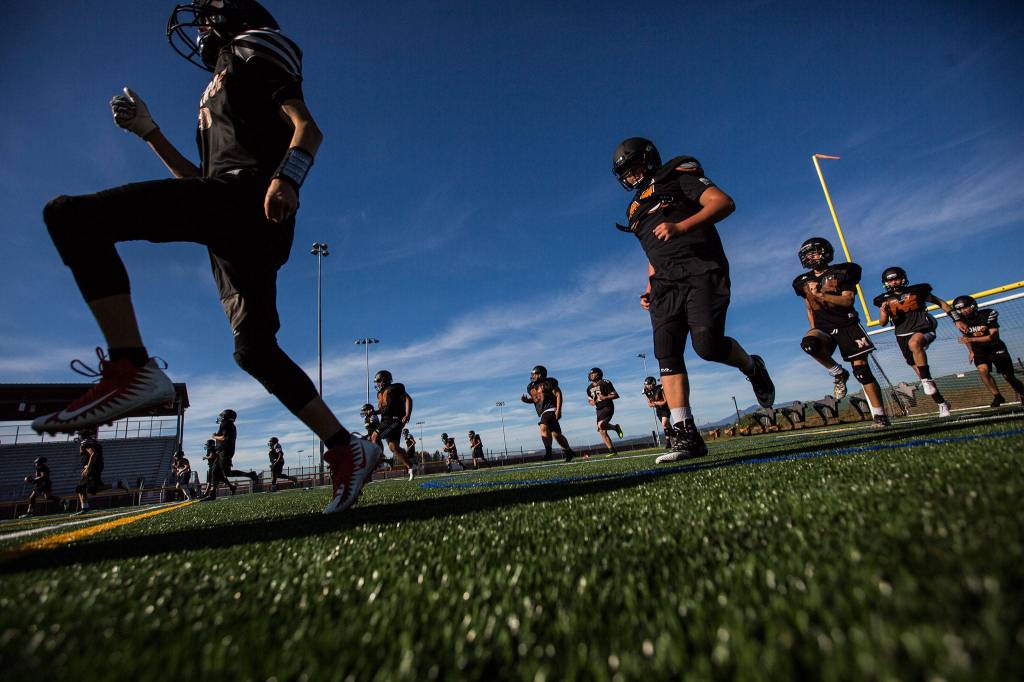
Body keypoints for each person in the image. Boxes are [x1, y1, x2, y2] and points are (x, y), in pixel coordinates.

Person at [33, 0, 378, 515]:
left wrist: (288, 177)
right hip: (228, 215)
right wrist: (150, 133)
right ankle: (346, 447)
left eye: (208, 13)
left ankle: (130, 366)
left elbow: (308, 127)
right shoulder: (215, 85)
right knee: (254, 351)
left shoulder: (254, 44)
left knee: (71, 217)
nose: (199, 24)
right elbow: (197, 184)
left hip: (249, 200)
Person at [611, 138, 775, 463]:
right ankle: (686, 434)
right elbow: (653, 252)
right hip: (664, 283)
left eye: (633, 170)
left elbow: (723, 203)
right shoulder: (634, 209)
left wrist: (681, 226)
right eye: (625, 174)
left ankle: (752, 367)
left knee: (707, 346)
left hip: (700, 268)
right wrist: (649, 285)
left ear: (649, 160)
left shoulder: (678, 176)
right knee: (667, 353)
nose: (630, 178)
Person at [793, 237, 890, 428]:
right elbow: (809, 307)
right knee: (809, 344)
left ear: (825, 252)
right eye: (807, 254)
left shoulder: (843, 271)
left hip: (847, 325)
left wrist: (822, 294)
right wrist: (813, 327)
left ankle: (880, 415)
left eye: (814, 252)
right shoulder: (802, 281)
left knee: (862, 371)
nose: (810, 257)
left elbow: (848, 301)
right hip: (823, 327)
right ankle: (838, 373)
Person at [873, 267, 958, 417]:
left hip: (923, 327)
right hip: (901, 334)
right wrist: (883, 311)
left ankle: (926, 379)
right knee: (921, 374)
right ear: (886, 283)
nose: (894, 282)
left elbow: (941, 303)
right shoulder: (883, 298)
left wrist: (956, 319)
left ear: (903, 278)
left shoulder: (918, 290)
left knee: (915, 344)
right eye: (890, 280)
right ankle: (942, 403)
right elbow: (882, 323)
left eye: (896, 278)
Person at [954, 295, 1024, 407]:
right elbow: (965, 337)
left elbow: (993, 337)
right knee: (982, 370)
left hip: (995, 347)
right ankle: (997, 396)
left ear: (972, 305)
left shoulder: (987, 314)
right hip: (979, 350)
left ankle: (1022, 393)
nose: (963, 311)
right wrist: (971, 351)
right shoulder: (962, 321)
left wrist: (971, 339)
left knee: (1008, 376)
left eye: (965, 307)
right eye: (960, 309)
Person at [520, 365, 575, 462]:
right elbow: (536, 399)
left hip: (550, 409)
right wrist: (526, 401)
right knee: (556, 435)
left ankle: (548, 453)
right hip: (543, 411)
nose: (533, 376)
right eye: (532, 374)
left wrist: (558, 410)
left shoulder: (548, 383)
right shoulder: (531, 386)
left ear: (541, 374)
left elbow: (558, 394)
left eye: (535, 374)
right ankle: (569, 451)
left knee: (543, 426)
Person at [374, 370, 417, 480]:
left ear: (385, 379)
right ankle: (411, 466)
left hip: (394, 420)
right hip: (386, 420)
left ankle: (376, 463)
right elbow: (383, 410)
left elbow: (408, 399)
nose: (377, 384)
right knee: (393, 447)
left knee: (374, 436)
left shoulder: (395, 388)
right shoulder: (379, 394)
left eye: (378, 381)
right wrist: (373, 412)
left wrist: (407, 414)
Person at [212, 410, 260, 489]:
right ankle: (212, 493)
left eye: (222, 416)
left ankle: (250, 475)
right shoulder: (229, 425)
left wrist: (214, 436)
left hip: (224, 451)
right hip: (223, 451)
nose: (220, 418)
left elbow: (223, 438)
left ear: (226, 417)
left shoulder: (226, 424)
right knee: (215, 471)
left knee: (227, 473)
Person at [586, 367, 624, 457]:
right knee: (602, 431)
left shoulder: (605, 382)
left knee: (601, 425)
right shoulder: (589, 387)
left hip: (607, 407)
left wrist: (605, 397)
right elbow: (590, 400)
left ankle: (615, 427)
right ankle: (612, 451)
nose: (591, 375)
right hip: (598, 409)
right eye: (590, 374)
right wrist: (592, 402)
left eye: (593, 373)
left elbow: (616, 395)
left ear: (598, 374)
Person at [74, 430, 107, 515]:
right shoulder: (93, 442)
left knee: (80, 488)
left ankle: (84, 508)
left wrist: (87, 468)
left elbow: (93, 454)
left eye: (80, 435)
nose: (79, 437)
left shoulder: (85, 442)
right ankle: (118, 484)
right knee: (93, 489)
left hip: (91, 468)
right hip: (94, 467)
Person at [642, 376, 674, 449]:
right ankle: (675, 437)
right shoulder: (647, 391)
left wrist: (655, 403)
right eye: (646, 385)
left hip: (666, 408)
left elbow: (665, 401)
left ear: (653, 383)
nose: (647, 386)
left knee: (664, 424)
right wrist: (653, 404)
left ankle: (668, 442)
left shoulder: (660, 388)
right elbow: (649, 403)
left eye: (648, 384)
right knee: (667, 426)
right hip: (658, 410)